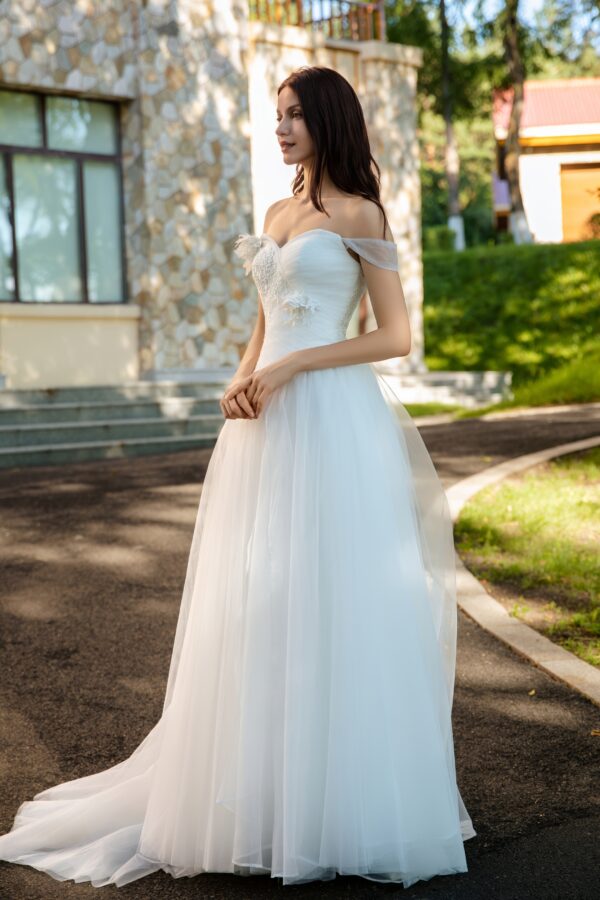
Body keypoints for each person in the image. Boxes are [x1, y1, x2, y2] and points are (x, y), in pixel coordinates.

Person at [0, 65, 475, 890]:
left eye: (294, 115)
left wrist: (296, 370)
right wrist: (244, 370)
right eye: (277, 115)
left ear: (329, 119)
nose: (281, 128)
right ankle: (259, 799)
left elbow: (393, 335)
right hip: (264, 431)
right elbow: (265, 321)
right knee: (258, 601)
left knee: (335, 598)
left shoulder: (360, 214)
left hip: (334, 424)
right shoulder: (277, 212)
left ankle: (340, 802)